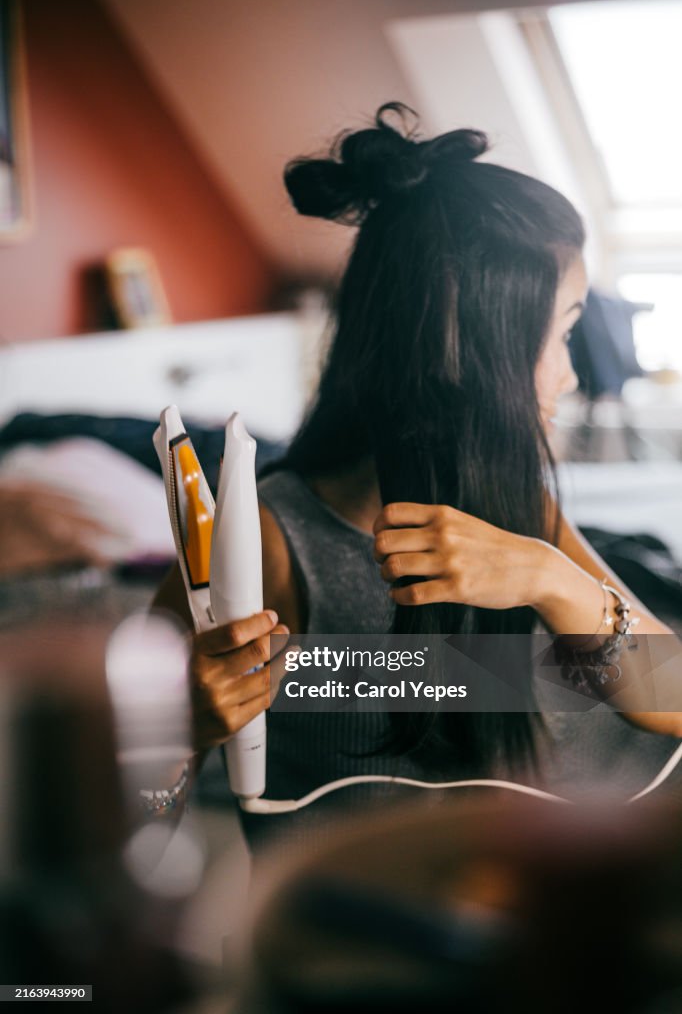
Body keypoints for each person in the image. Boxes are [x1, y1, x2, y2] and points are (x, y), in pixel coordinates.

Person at [154, 103, 681, 842]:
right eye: (562, 333)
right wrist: (176, 733)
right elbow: (122, 826)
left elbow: (670, 694)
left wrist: (552, 579)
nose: (570, 375)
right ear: (474, 347)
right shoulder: (269, 545)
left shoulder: (516, 503)